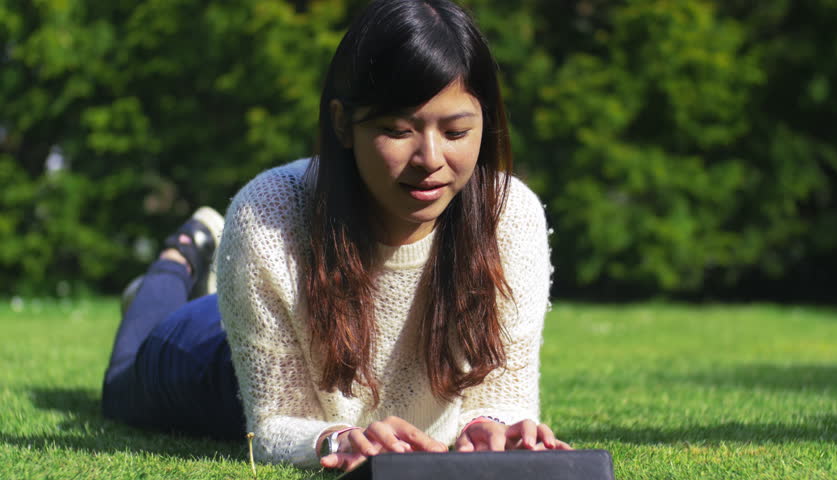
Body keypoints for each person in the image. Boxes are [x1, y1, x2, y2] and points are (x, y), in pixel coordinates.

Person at [101, 0, 572, 471]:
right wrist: (340, 441)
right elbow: (274, 425)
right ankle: (180, 257)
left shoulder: (508, 217)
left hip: (259, 308)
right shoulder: (270, 215)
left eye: (455, 131)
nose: (430, 158)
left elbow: (505, 397)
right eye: (398, 129)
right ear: (344, 123)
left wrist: (492, 427)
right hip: (217, 358)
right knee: (120, 389)